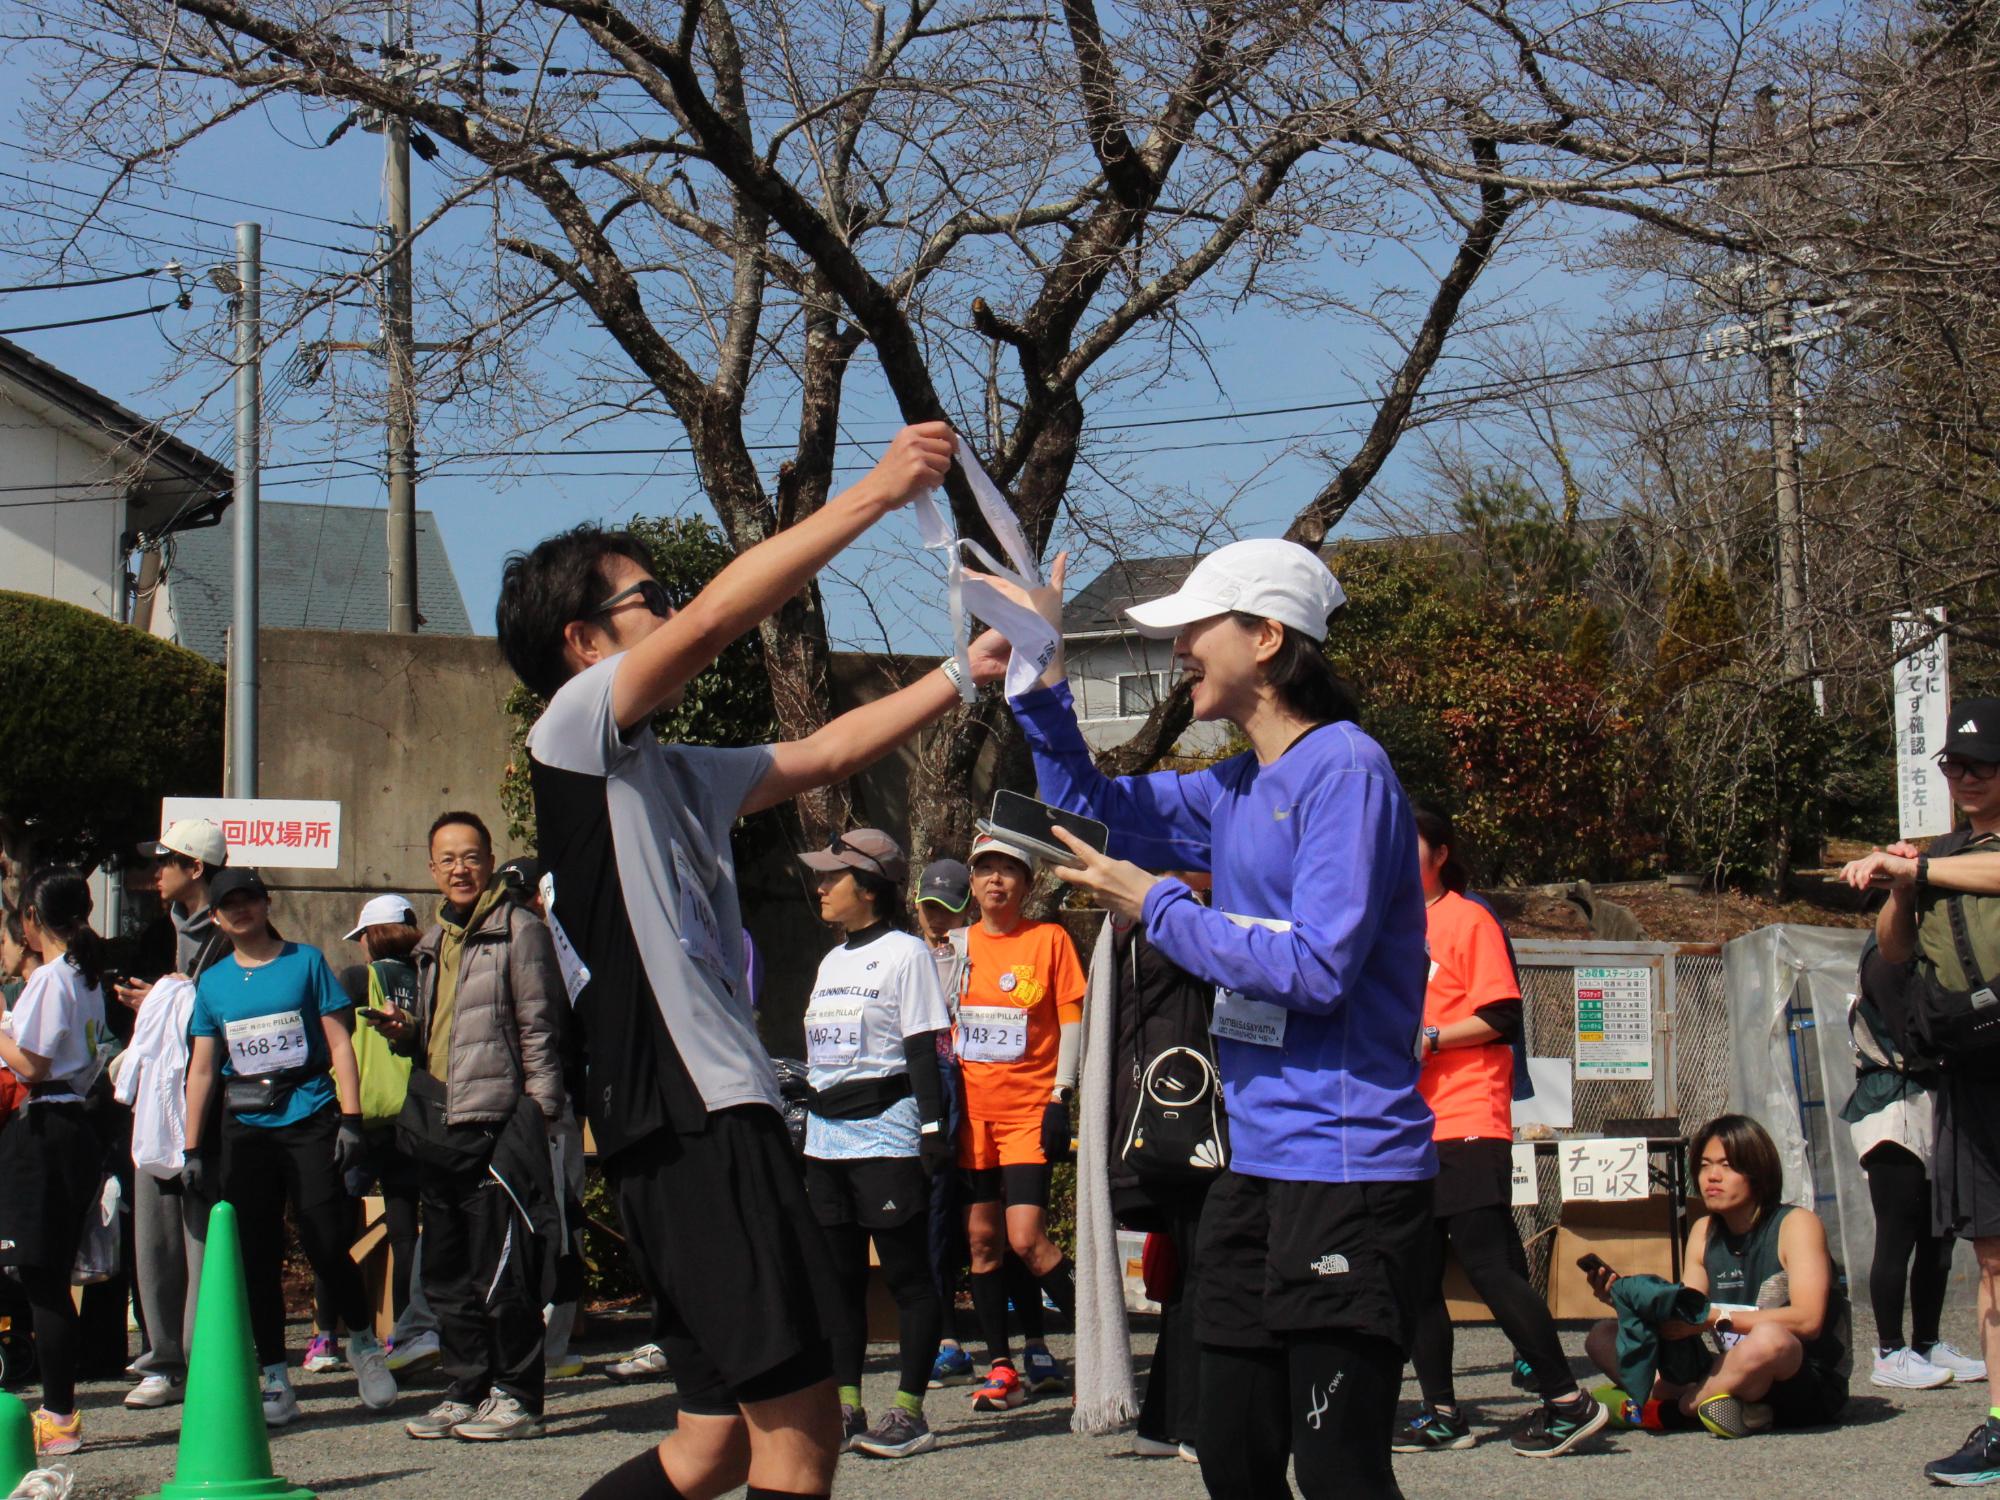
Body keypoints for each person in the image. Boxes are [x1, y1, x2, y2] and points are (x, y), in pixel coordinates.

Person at [495, 419, 1009, 1500]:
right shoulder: (574, 730)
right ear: (584, 642)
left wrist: (966, 671)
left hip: (691, 1124)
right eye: (646, 598)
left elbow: (823, 752)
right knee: (803, 1431)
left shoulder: (672, 770)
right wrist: (875, 493)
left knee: (713, 1445)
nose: (671, 610)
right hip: (694, 1119)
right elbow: (723, 616)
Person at [978, 537, 1435, 1500]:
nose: (1180, 648)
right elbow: (1082, 806)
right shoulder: (1234, 786)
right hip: (1250, 1166)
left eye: (1196, 627)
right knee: (1227, 1453)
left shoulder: (1347, 768)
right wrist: (1042, 669)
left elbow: (1319, 968)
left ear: (1267, 637)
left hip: (1347, 1168)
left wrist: (1159, 905)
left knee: (1341, 1472)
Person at [1393, 806, 1606, 1458]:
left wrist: (1430, 1037)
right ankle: (1442, 1413)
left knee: (1487, 1264)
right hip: (1404, 1124)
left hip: (1466, 1116)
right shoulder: (1388, 924)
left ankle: (1568, 1400)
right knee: (1414, 1276)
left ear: (1441, 854)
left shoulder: (1468, 917)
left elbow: (1503, 1015)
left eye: (1409, 842)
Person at [367, 811, 566, 1442]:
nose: (460, 869)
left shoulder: (520, 931)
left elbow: (539, 1026)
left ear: (489, 861)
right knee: (446, 1273)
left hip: (497, 1123)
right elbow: (440, 1034)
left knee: (502, 1271)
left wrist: (540, 1114)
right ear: (432, 868)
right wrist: (405, 1032)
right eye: (448, 859)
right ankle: (466, 1389)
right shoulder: (433, 942)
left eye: (471, 856)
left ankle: (518, 1397)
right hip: (438, 1122)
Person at [1843, 696, 2000, 1483]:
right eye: (1954, 765)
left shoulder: (1957, 859)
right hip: (1967, 1072)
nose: (1966, 777)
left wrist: (1921, 868)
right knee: (1992, 1260)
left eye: (1983, 764)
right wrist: (1900, 887)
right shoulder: (1942, 853)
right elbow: (1895, 953)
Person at [180, 867, 399, 1426]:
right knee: (256, 1255)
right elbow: (202, 1069)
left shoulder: (306, 962)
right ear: (216, 917)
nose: (241, 910)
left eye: (249, 898)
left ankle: (364, 1345)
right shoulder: (213, 983)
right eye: (228, 904)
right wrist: (192, 1150)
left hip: (309, 1114)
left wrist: (351, 1119)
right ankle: (275, 1374)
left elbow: (339, 1043)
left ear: (266, 902)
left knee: (327, 1240)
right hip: (245, 1127)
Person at [796, 829, 953, 1459]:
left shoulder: (906, 953)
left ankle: (910, 1412)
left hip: (886, 1132)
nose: (820, 888)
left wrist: (933, 1129)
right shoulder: (831, 960)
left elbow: (922, 1048)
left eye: (831, 878)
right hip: (825, 1139)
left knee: (907, 1277)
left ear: (868, 888)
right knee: (838, 1282)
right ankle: (846, 1406)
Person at [1582, 1113, 1849, 1436]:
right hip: (1733, 1368)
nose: (1712, 1176)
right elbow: (1686, 1317)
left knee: (1770, 1338)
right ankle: (1733, 1406)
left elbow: (1808, 1321)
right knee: (1603, 1336)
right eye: (1705, 1165)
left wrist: (1714, 1318)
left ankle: (1682, 1408)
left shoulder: (1797, 1224)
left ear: (1758, 1173)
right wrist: (1623, 1299)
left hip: (1802, 1379)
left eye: (1727, 1166)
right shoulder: (1703, 1230)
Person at [954, 832, 1085, 1413]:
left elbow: (1071, 1018)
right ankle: (1001, 1367)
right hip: (970, 1115)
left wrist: (1062, 1093)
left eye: (1008, 870)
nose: (995, 880)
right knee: (982, 1243)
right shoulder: (956, 947)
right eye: (985, 869)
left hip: (1030, 1108)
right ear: (972, 881)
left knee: (1026, 1239)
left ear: (1028, 884)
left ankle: (1097, 1345)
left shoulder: (1048, 939)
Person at [116, 819, 232, 1408]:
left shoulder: (231, 931)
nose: (156, 871)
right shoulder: (154, 933)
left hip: (211, 1107)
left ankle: (201, 1355)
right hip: (155, 1104)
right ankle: (161, 1358)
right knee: (155, 1232)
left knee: (200, 1231)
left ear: (196, 867)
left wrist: (168, 1002)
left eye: (166, 860)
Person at [1099, 888, 1215, 1462]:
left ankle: (1166, 1418)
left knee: (1192, 1264)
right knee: (1211, 1262)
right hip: (1182, 1113)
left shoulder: (1125, 924)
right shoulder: (1167, 919)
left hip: (1156, 1113)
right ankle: (1196, 1422)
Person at [0, 869, 109, 1457]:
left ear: (31, 919)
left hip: (46, 1124)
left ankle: (59, 1414)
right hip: (76, 1124)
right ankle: (59, 1411)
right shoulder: (84, 974)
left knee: (41, 1277)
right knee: (51, 1274)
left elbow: (32, 1065)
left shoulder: (49, 977)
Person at [1841, 938, 1984, 1389]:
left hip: (1932, 1102)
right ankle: (1889, 1352)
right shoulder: (1885, 956)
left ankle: (1926, 1342)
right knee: (1897, 1232)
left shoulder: (1927, 952)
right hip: (1891, 1104)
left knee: (1938, 1236)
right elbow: (1914, 1037)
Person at [327, 895, 432, 1377]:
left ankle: (326, 1335)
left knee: (335, 1227)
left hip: (360, 1115)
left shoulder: (355, 979)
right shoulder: (429, 978)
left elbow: (331, 1038)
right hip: (412, 1114)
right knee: (404, 1227)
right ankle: (404, 1333)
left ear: (372, 936)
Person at [914, 859, 979, 1389]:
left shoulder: (972, 952)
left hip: (966, 1087)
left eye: (948, 908)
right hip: (916, 1085)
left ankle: (950, 1340)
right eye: (929, 906)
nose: (937, 918)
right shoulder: (903, 954)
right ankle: (941, 1336)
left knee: (958, 1216)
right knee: (925, 1213)